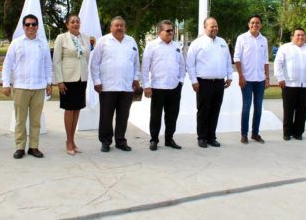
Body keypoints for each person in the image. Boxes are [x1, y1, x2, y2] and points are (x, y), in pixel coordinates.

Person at [2, 14, 53, 159]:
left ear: (37, 26)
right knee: (20, 120)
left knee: (36, 121)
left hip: (39, 87)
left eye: (33, 24)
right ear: (23, 27)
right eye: (28, 24)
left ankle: (33, 147)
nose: (31, 27)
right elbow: (7, 64)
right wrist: (6, 83)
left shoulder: (43, 44)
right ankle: (20, 147)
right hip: (21, 87)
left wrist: (49, 83)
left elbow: (48, 65)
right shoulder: (16, 43)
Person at [90, 16, 140, 152]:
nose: (119, 28)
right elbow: (94, 63)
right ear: (111, 27)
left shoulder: (131, 41)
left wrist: (136, 78)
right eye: (116, 25)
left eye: (121, 25)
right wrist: (97, 81)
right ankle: (105, 141)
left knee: (123, 116)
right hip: (107, 86)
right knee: (106, 116)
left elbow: (136, 63)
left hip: (127, 86)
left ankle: (120, 141)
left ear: (125, 27)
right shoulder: (103, 41)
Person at [186, 17, 233, 148]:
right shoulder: (197, 43)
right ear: (205, 27)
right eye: (212, 26)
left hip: (219, 83)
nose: (214, 28)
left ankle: (211, 137)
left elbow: (228, 61)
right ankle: (201, 137)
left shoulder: (222, 42)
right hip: (203, 83)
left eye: (216, 26)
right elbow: (190, 65)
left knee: (215, 110)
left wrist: (229, 76)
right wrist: (194, 81)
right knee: (203, 111)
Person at [141, 20, 185, 151]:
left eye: (172, 30)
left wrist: (180, 81)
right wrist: (146, 86)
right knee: (156, 116)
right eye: (168, 30)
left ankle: (169, 139)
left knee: (172, 115)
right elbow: (145, 67)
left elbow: (182, 66)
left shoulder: (176, 46)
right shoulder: (152, 46)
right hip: (157, 87)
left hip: (174, 87)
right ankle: (154, 140)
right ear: (159, 32)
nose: (171, 32)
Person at [274, 28, 306, 141]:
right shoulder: (285, 48)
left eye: (302, 35)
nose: (300, 37)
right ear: (292, 37)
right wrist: (280, 78)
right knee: (288, 110)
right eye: (298, 35)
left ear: (305, 37)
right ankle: (287, 133)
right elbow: (278, 63)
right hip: (289, 85)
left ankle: (298, 133)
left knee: (302, 111)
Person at [53, 14, 90, 155]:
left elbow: (86, 57)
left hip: (82, 78)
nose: (75, 24)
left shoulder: (85, 38)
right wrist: (59, 81)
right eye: (72, 22)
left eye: (77, 21)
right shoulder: (61, 38)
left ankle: (73, 140)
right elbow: (56, 61)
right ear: (67, 24)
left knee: (77, 109)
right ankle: (68, 141)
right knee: (69, 110)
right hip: (67, 79)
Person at [233, 15, 270, 144]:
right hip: (246, 79)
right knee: (246, 106)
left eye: (258, 23)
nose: (255, 25)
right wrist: (241, 76)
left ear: (261, 25)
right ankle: (244, 134)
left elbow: (265, 60)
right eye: (253, 23)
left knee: (258, 107)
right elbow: (237, 58)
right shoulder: (242, 38)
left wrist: (267, 78)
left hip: (259, 79)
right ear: (249, 24)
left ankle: (255, 133)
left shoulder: (263, 40)